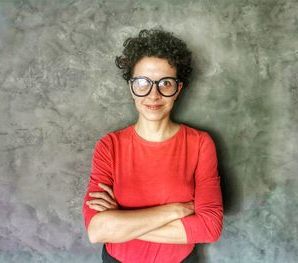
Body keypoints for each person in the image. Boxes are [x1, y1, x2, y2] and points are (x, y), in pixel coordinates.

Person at [82, 28, 223, 263]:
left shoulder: (200, 144)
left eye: (165, 83)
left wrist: (121, 221)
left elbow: (209, 228)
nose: (153, 95)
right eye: (142, 83)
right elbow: (97, 231)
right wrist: (178, 210)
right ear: (131, 87)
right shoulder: (109, 146)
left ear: (178, 89)